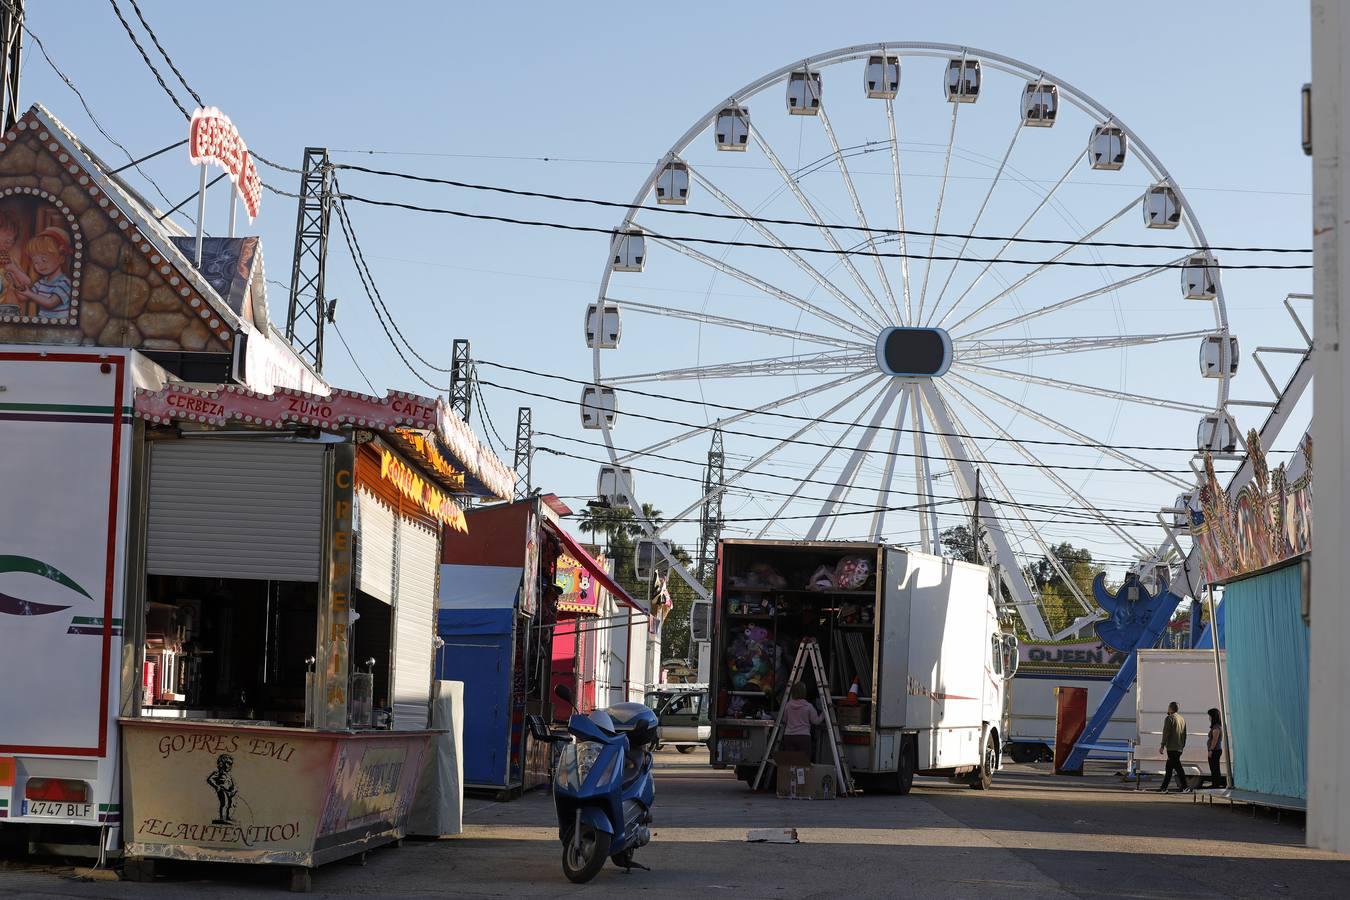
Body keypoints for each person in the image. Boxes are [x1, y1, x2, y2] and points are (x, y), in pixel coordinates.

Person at [1155, 701, 1192, 793]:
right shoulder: (1182, 719)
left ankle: (1185, 787)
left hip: (1172, 747)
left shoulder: (1169, 718)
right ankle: (1163, 788)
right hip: (1179, 747)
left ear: (1171, 708)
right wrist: (1182, 745)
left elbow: (1166, 732)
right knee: (1169, 768)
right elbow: (1184, 734)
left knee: (1178, 768)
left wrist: (1162, 745)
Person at [780, 682, 822, 757]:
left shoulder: (788, 705)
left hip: (789, 736)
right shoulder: (808, 706)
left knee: (790, 762)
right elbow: (816, 721)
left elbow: (784, 720)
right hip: (803, 736)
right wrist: (824, 713)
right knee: (803, 763)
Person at [1195, 708, 1226, 789]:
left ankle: (1216, 784)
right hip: (1215, 750)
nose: (1209, 718)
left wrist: (1211, 750)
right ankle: (1216, 783)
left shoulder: (1216, 728)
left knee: (1214, 768)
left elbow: (1215, 740)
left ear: (1213, 717)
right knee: (1214, 768)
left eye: (1210, 716)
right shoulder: (1216, 727)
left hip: (1215, 750)